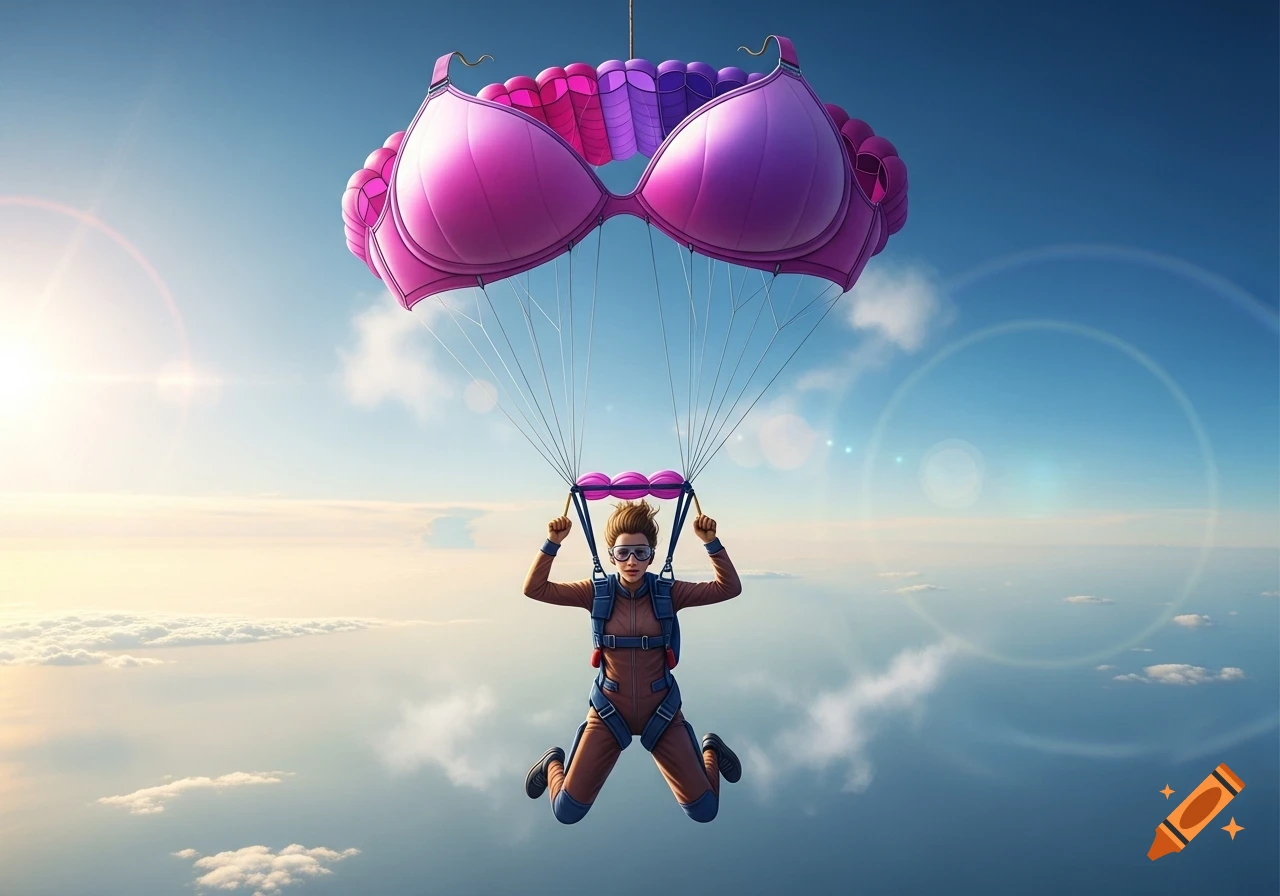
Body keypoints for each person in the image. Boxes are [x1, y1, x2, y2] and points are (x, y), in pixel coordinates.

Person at [522, 499, 744, 824]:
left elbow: (729, 588)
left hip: (662, 710)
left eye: (641, 553)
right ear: (611, 555)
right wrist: (552, 543)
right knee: (566, 810)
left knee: (705, 810)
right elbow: (535, 589)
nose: (631, 562)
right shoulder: (595, 592)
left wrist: (710, 542)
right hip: (610, 711)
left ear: (652, 554)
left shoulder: (668, 592)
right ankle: (553, 762)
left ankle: (709, 749)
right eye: (623, 553)